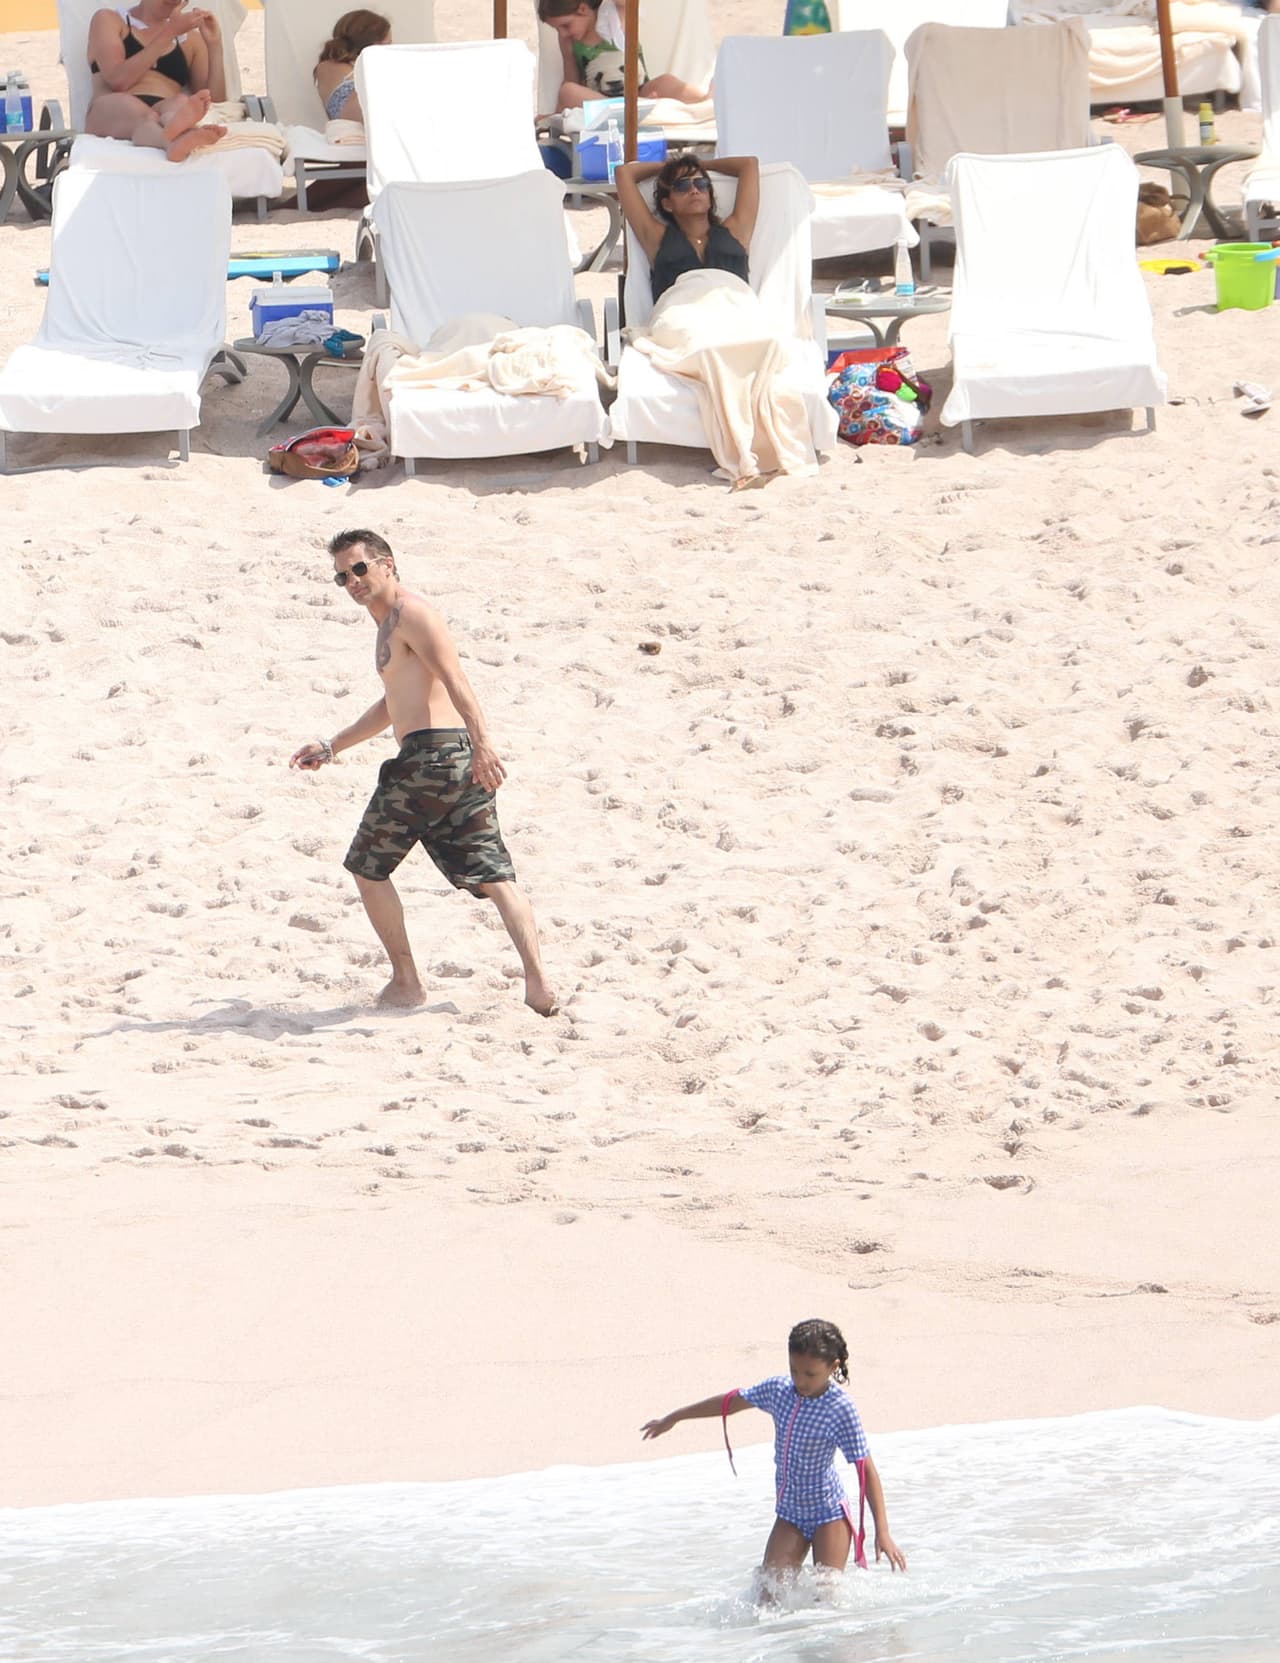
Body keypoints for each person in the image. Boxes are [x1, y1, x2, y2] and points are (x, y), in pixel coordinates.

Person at [289, 531, 557, 1018]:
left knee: (367, 868)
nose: (352, 582)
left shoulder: (413, 614)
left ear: (387, 564)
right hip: (451, 759)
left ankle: (407, 981)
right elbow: (394, 705)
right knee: (495, 874)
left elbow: (457, 681)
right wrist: (333, 746)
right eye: (343, 576)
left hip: (430, 758)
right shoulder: (388, 624)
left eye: (360, 569)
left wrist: (485, 744)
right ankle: (538, 984)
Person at [641, 1318, 906, 1590]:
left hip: (829, 1515)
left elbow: (866, 1470)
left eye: (810, 1374)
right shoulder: (779, 1391)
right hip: (790, 1513)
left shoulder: (840, 1409)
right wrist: (675, 1417)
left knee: (826, 1601)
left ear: (833, 1367)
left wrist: (882, 1532)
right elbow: (731, 1402)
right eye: (794, 1370)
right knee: (769, 1594)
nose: (800, 1381)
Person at [86, 1, 228, 164]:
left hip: (164, 106)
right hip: (112, 107)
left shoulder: (190, 41)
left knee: (180, 102)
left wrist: (215, 46)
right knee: (138, 112)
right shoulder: (109, 20)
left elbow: (215, 102)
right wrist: (169, 32)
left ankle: (178, 134)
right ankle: (169, 142)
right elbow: (118, 81)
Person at [615, 151, 757, 305]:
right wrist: (670, 167)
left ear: (710, 198)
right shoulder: (657, 238)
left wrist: (699, 164)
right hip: (680, 319)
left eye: (701, 184)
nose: (694, 190)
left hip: (734, 316)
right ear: (667, 204)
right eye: (682, 186)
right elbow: (624, 173)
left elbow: (749, 164)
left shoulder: (735, 231)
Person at [537, 0, 707, 112]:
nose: (563, 33)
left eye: (565, 26)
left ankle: (707, 101)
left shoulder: (615, 16)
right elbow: (571, 77)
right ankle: (633, 109)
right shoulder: (568, 40)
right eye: (557, 29)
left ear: (583, 9)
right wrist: (559, 112)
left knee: (666, 81)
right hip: (601, 102)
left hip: (641, 92)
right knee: (567, 90)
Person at [314, 10, 391, 127]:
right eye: (388, 44)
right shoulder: (368, 69)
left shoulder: (324, 67)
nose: (391, 49)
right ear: (376, 44)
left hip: (348, 135)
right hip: (367, 131)